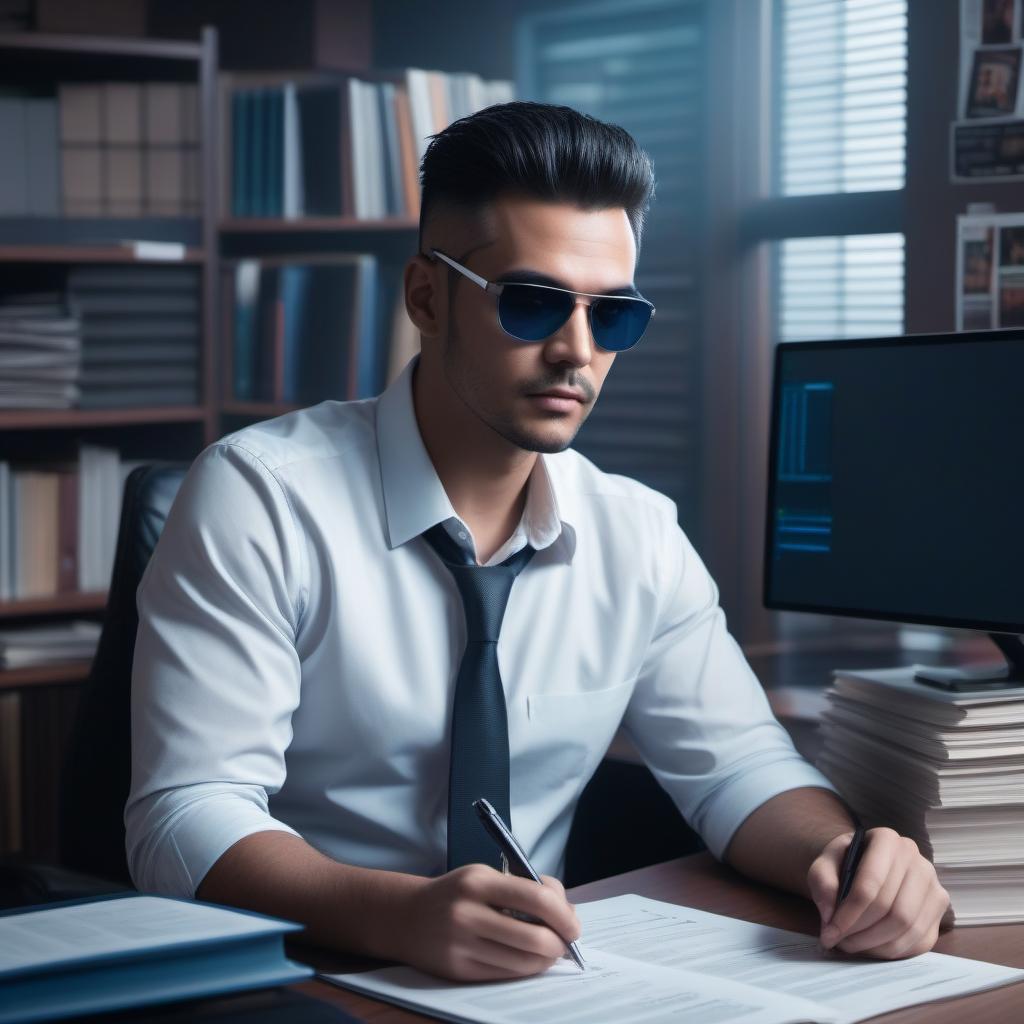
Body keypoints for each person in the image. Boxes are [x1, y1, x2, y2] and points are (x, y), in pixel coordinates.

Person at [126, 102, 949, 982]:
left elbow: (740, 769)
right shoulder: (260, 497)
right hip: (297, 977)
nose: (577, 351)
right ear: (426, 297)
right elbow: (184, 815)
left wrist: (849, 860)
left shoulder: (636, 534)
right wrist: (399, 917)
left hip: (530, 987)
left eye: (614, 316)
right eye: (532, 303)